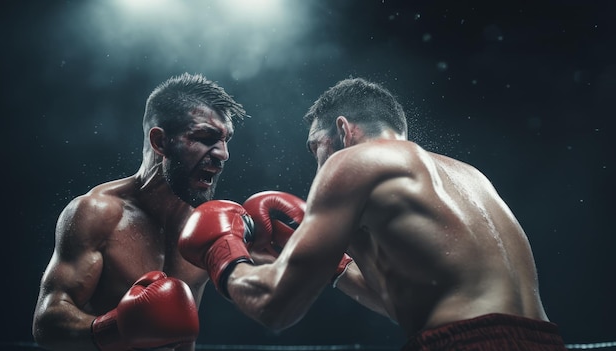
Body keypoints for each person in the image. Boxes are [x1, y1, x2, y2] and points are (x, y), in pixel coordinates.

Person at [177, 77, 569, 350]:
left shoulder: (354, 161)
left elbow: (276, 306)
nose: (319, 168)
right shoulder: (469, 177)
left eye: (316, 148)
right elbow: (405, 303)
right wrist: (337, 266)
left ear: (344, 130)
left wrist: (223, 254)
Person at [32, 72, 248, 351]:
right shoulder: (98, 213)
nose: (223, 154)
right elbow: (47, 323)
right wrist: (117, 328)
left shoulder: (210, 225)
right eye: (206, 137)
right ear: (160, 142)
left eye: (225, 140)